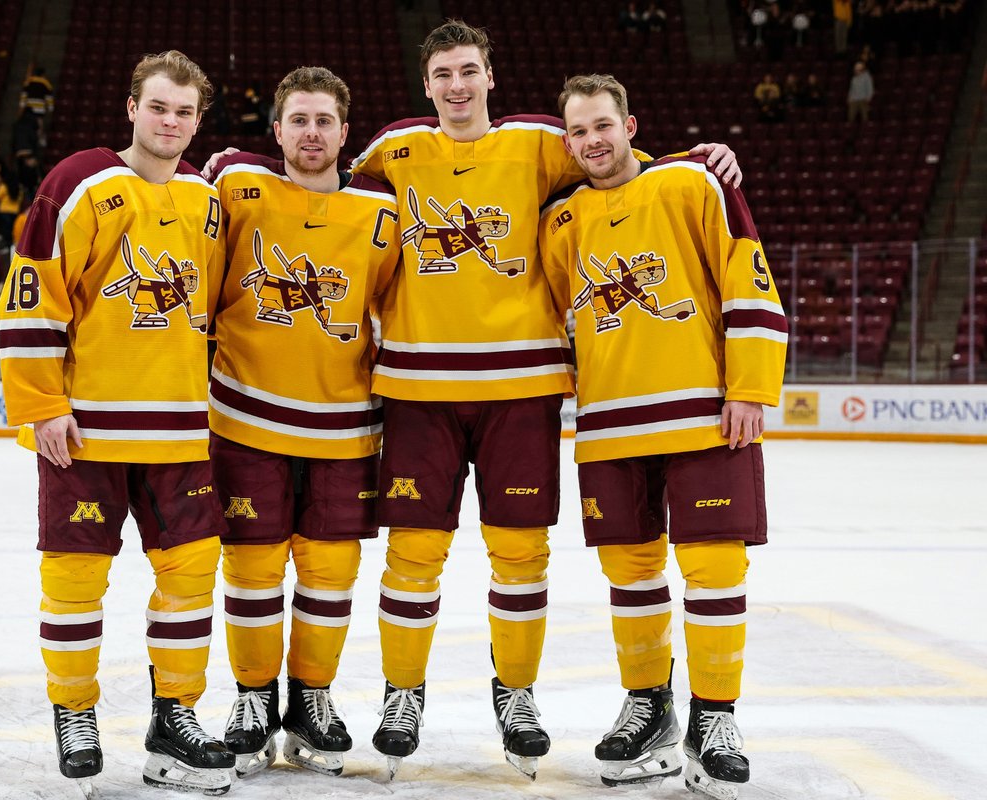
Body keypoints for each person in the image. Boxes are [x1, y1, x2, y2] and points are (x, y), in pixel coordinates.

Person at [348, 19, 740, 780]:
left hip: (523, 389)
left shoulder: (538, 139)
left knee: (521, 555)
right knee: (412, 555)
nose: (456, 87)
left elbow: (616, 165)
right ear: (425, 85)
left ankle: (516, 694)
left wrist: (695, 160)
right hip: (419, 387)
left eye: (468, 71)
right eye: (441, 75)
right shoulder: (393, 149)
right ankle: (403, 694)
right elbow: (325, 195)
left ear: (491, 75)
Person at [538, 73, 787, 800]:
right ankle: (649, 707)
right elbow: (556, 313)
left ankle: (715, 718)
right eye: (578, 131)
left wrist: (749, 386)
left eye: (603, 126)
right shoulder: (561, 219)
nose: (592, 141)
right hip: (609, 422)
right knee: (631, 571)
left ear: (631, 125)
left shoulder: (693, 182)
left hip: (701, 413)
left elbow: (748, 275)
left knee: (714, 567)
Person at [0, 50, 233, 796]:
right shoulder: (77, 181)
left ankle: (175, 719)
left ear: (199, 120)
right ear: (131, 107)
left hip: (183, 430)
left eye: (185, 112)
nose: (171, 122)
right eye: (159, 107)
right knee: (74, 582)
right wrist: (39, 405)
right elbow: (31, 291)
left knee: (191, 580)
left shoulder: (206, 197)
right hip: (87, 430)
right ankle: (75, 714)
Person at [208, 66, 401, 779]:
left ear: (346, 133)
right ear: (278, 129)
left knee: (329, 575)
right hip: (245, 417)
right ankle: (254, 700)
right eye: (299, 120)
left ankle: (311, 700)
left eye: (325, 121)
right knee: (253, 570)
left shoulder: (382, 215)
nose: (312, 133)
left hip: (346, 427)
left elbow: (393, 312)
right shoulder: (233, 191)